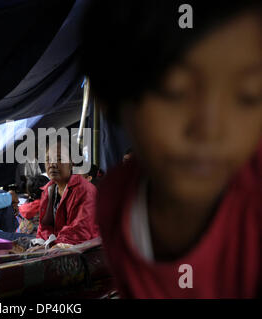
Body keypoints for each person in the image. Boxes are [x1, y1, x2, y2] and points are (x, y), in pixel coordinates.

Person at [81, 0, 262, 298]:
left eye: (248, 96)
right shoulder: (118, 202)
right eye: (175, 90)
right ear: (109, 95)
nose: (211, 129)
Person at [34, 137, 100, 248]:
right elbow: (44, 227)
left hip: (87, 250)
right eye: (48, 159)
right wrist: (43, 243)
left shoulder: (84, 190)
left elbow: (80, 232)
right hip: (60, 245)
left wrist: (50, 245)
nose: (52, 164)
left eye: (59, 159)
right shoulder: (49, 190)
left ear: (72, 163)